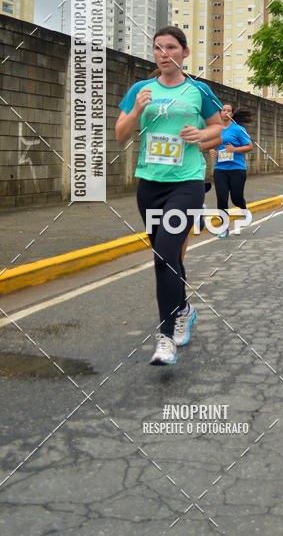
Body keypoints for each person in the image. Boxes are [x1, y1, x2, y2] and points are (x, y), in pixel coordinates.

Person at [115, 26, 223, 366]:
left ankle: (165, 338)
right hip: (149, 184)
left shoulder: (198, 91)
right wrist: (136, 111)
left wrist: (201, 135)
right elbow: (120, 135)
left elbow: (219, 130)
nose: (164, 54)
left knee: (164, 255)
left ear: (184, 53)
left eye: (171, 48)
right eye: (159, 48)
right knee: (169, 259)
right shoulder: (140, 89)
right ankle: (184, 310)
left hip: (186, 183)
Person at [209, 104, 254, 237]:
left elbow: (249, 146)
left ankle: (244, 208)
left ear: (232, 114)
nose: (226, 112)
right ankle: (224, 228)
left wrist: (234, 150)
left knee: (236, 198)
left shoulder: (239, 129)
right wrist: (212, 150)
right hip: (220, 169)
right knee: (222, 199)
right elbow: (211, 145)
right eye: (223, 110)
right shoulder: (215, 130)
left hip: (237, 169)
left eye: (229, 110)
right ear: (220, 113)